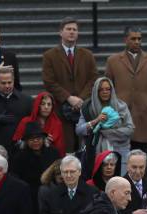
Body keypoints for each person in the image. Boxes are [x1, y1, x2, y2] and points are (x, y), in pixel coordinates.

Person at [42, 17, 98, 153]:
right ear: (60, 32)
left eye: (75, 29)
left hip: (83, 109)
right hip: (60, 110)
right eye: (68, 29)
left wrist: (80, 99)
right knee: (64, 147)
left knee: (83, 149)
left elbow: (93, 79)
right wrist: (68, 98)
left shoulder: (87, 55)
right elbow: (49, 81)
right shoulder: (50, 56)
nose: (72, 32)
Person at [105, 26, 147, 154]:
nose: (137, 41)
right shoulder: (113, 61)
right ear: (126, 40)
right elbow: (107, 86)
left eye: (139, 39)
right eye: (133, 38)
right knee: (118, 159)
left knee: (141, 157)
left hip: (143, 118)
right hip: (119, 119)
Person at [76, 76, 134, 174]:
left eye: (108, 89)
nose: (105, 92)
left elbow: (129, 129)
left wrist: (105, 132)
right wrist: (96, 121)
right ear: (96, 91)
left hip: (119, 152)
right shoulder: (87, 108)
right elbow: (79, 130)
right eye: (101, 89)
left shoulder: (121, 106)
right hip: (94, 154)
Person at [0, 69, 32, 153]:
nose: (7, 86)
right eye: (3, 83)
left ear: (13, 81)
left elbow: (32, 124)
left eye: (9, 82)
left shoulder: (27, 101)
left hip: (21, 151)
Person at [12, 91, 65, 156]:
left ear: (52, 107)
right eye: (43, 104)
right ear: (37, 105)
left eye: (49, 104)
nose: (46, 107)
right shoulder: (26, 121)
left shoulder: (57, 123)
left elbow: (60, 147)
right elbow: (17, 144)